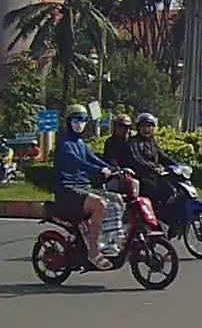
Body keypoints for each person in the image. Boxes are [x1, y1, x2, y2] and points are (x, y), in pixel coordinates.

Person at [53, 104, 115, 269]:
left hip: (83, 187)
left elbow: (94, 159)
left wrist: (116, 169)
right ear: (69, 122)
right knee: (100, 204)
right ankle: (93, 252)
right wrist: (98, 170)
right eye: (76, 120)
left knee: (117, 201)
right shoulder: (64, 143)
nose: (80, 124)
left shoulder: (81, 143)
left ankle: (110, 243)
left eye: (83, 120)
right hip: (67, 190)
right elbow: (78, 162)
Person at [121, 113, 180, 225]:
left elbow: (163, 157)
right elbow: (137, 159)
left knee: (173, 189)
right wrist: (154, 168)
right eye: (143, 126)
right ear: (138, 128)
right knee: (157, 190)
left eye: (149, 126)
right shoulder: (133, 142)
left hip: (155, 175)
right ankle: (155, 217)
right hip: (141, 177)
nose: (146, 129)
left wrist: (178, 165)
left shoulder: (152, 142)